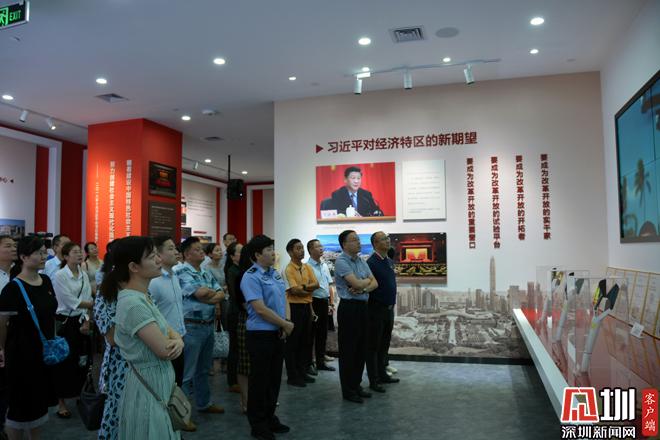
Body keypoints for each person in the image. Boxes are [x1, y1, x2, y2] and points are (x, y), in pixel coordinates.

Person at [102, 236, 183, 440]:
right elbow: (165, 350)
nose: (159, 260)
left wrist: (178, 340)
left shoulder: (142, 297)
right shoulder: (133, 304)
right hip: (149, 387)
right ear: (133, 267)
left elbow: (170, 331)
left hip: (157, 383)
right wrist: (177, 342)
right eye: (152, 256)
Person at [0, 236, 57, 440]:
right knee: (19, 405)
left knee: (38, 402)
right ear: (23, 257)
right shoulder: (12, 288)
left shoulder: (46, 281)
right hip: (21, 354)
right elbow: (2, 324)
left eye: (44, 252)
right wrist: (1, 349)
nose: (44, 257)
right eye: (38, 253)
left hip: (44, 352)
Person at [240, 235, 293, 440]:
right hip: (260, 334)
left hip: (277, 332)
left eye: (273, 248)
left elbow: (284, 298)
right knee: (259, 382)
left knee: (274, 380)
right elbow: (260, 309)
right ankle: (258, 423)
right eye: (268, 250)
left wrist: (286, 321)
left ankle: (270, 417)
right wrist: (284, 324)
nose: (273, 253)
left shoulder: (275, 274)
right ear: (257, 255)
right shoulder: (250, 276)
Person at [177, 237, 225, 416]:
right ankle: (182, 414)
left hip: (208, 325)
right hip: (191, 327)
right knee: (187, 373)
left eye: (201, 248)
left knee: (204, 369)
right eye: (197, 249)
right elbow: (200, 292)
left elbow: (220, 293)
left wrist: (208, 296)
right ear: (187, 254)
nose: (201, 252)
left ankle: (204, 403)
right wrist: (209, 294)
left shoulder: (205, 272)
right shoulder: (181, 271)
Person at [334, 230, 378, 403]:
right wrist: (364, 283)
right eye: (354, 240)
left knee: (361, 349)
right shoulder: (341, 262)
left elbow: (375, 283)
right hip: (349, 309)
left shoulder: (361, 261)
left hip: (363, 307)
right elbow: (357, 283)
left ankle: (356, 384)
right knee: (348, 350)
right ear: (344, 244)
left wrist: (363, 287)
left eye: (358, 239)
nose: (359, 242)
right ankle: (348, 390)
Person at [52, 241, 94, 418]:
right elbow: (69, 301)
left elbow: (87, 297)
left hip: (81, 320)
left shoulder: (83, 274)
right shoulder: (60, 275)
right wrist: (93, 305)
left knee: (82, 360)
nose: (79, 254)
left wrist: (87, 320)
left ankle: (78, 393)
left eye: (79, 251)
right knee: (64, 361)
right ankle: (61, 402)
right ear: (65, 256)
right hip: (65, 322)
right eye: (74, 252)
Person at [94, 242, 127, 440]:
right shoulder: (108, 294)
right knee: (118, 421)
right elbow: (113, 339)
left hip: (144, 368)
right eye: (150, 256)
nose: (158, 260)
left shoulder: (144, 292)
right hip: (121, 369)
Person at [149, 237, 186, 387]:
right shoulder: (153, 281)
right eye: (171, 249)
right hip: (164, 343)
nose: (176, 252)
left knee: (177, 385)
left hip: (179, 339)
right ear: (158, 254)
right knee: (165, 387)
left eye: (175, 248)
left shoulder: (174, 277)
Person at [365, 232, 400, 393]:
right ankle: (374, 380)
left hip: (388, 310)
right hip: (376, 310)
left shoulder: (389, 261)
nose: (388, 241)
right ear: (375, 243)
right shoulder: (371, 263)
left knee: (384, 345)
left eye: (387, 238)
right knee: (373, 346)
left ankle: (382, 374)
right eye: (384, 239)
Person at [282, 239, 319, 387]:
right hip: (294, 308)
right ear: (290, 252)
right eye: (298, 248)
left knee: (305, 341)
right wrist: (307, 289)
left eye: (302, 248)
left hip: (306, 307)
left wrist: (303, 288)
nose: (302, 250)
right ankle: (292, 376)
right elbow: (293, 290)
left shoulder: (307, 267)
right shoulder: (288, 269)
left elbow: (316, 284)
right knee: (293, 343)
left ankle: (302, 372)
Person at [306, 239, 336, 372]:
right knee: (311, 334)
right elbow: (307, 290)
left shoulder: (324, 265)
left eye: (321, 246)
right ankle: (309, 363)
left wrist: (330, 303)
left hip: (324, 302)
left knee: (322, 334)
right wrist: (311, 309)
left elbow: (328, 285)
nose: (321, 248)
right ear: (310, 250)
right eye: (318, 246)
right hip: (313, 302)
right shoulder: (307, 267)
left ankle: (320, 362)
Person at [225, 242, 246, 409]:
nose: (243, 253)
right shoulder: (232, 271)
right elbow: (235, 294)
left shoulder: (242, 269)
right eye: (239, 252)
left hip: (240, 311)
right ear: (232, 256)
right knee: (235, 348)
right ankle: (232, 381)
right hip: (235, 312)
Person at [0, 236, 16, 435]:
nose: (13, 248)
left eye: (14, 245)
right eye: (8, 246)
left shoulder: (16, 273)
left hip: (13, 336)